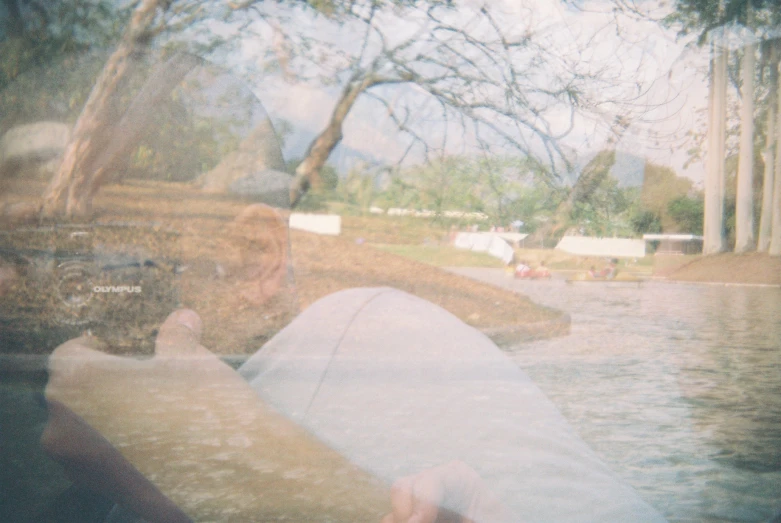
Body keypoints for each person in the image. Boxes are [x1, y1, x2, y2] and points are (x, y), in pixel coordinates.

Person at [34, 204, 666, 523]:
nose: (17, 273)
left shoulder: (368, 331)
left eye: (52, 247)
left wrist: (218, 457)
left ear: (258, 259)